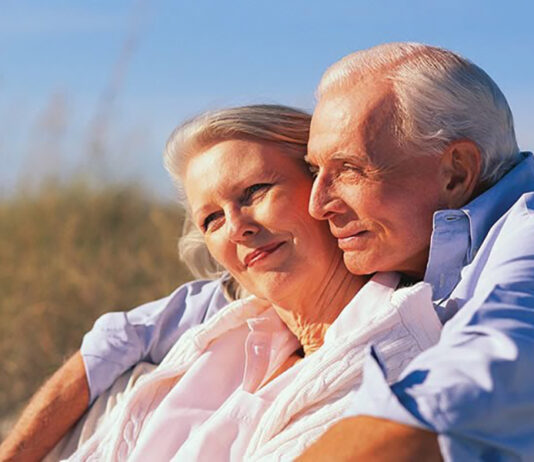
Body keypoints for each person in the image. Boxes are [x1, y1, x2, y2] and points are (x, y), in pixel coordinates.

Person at [43, 105, 440, 461]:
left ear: (325, 188)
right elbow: (121, 337)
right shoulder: (218, 338)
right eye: (211, 219)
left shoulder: (396, 361)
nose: (236, 228)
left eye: (254, 192)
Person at [299, 42, 534, 460]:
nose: (317, 206)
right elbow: (202, 304)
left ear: (456, 172)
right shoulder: (400, 249)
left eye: (350, 169)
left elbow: (465, 397)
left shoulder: (527, 233)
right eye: (316, 171)